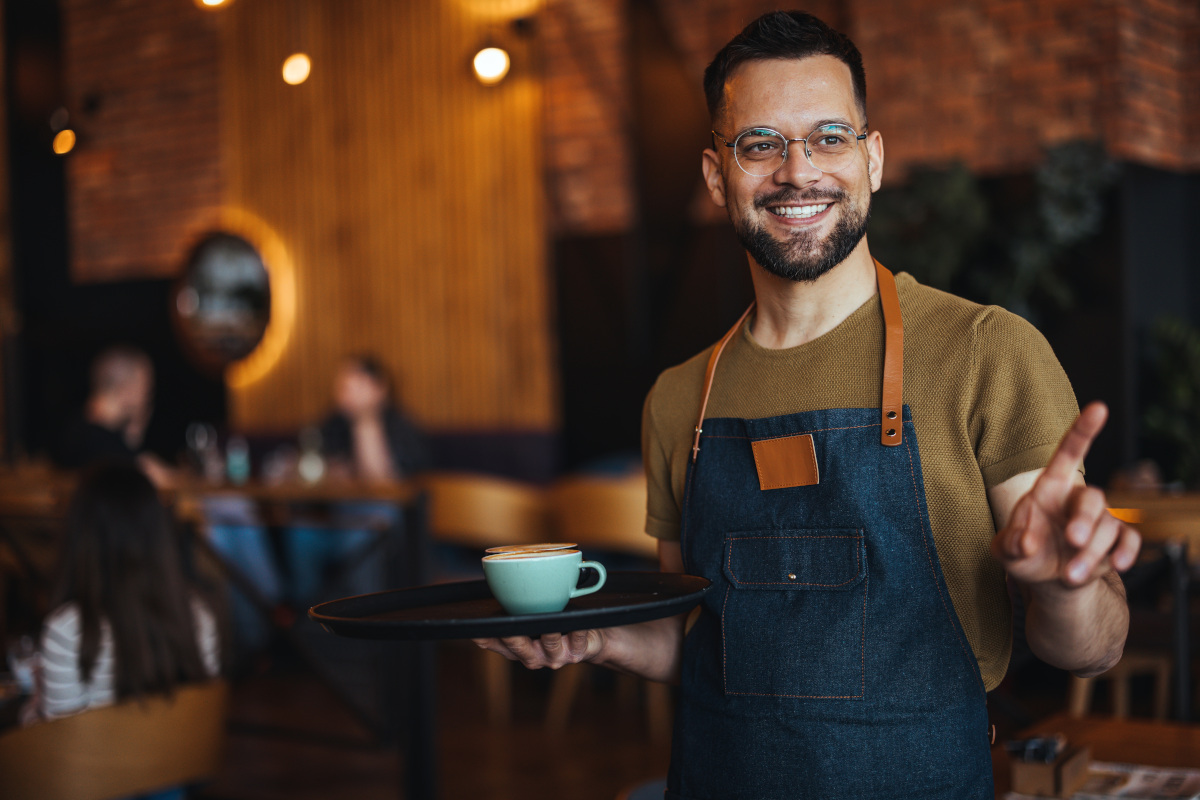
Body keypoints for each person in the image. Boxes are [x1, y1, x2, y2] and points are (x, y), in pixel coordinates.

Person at [475, 11, 1140, 799]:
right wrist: (592, 639)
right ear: (718, 176)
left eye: (830, 136)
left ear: (874, 158)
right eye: (761, 144)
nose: (799, 171)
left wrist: (1068, 587)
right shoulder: (680, 399)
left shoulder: (984, 353)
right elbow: (702, 641)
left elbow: (1091, 650)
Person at [22, 462, 220, 800]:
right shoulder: (197, 614)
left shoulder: (66, 629)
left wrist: (33, 705)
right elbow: (197, 732)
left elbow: (64, 756)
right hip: (173, 783)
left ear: (80, 533)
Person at [285, 354, 429, 605]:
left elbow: (381, 483)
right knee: (301, 531)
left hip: (385, 523)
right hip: (335, 516)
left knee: (365, 528)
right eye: (342, 386)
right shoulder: (333, 423)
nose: (345, 393)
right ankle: (304, 619)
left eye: (355, 385)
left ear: (380, 387)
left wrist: (366, 418)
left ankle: (364, 614)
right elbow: (309, 466)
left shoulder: (399, 424)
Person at [54, 345, 175, 487]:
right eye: (146, 388)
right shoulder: (95, 442)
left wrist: (134, 433)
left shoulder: (77, 430)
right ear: (127, 389)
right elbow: (151, 478)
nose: (148, 397)